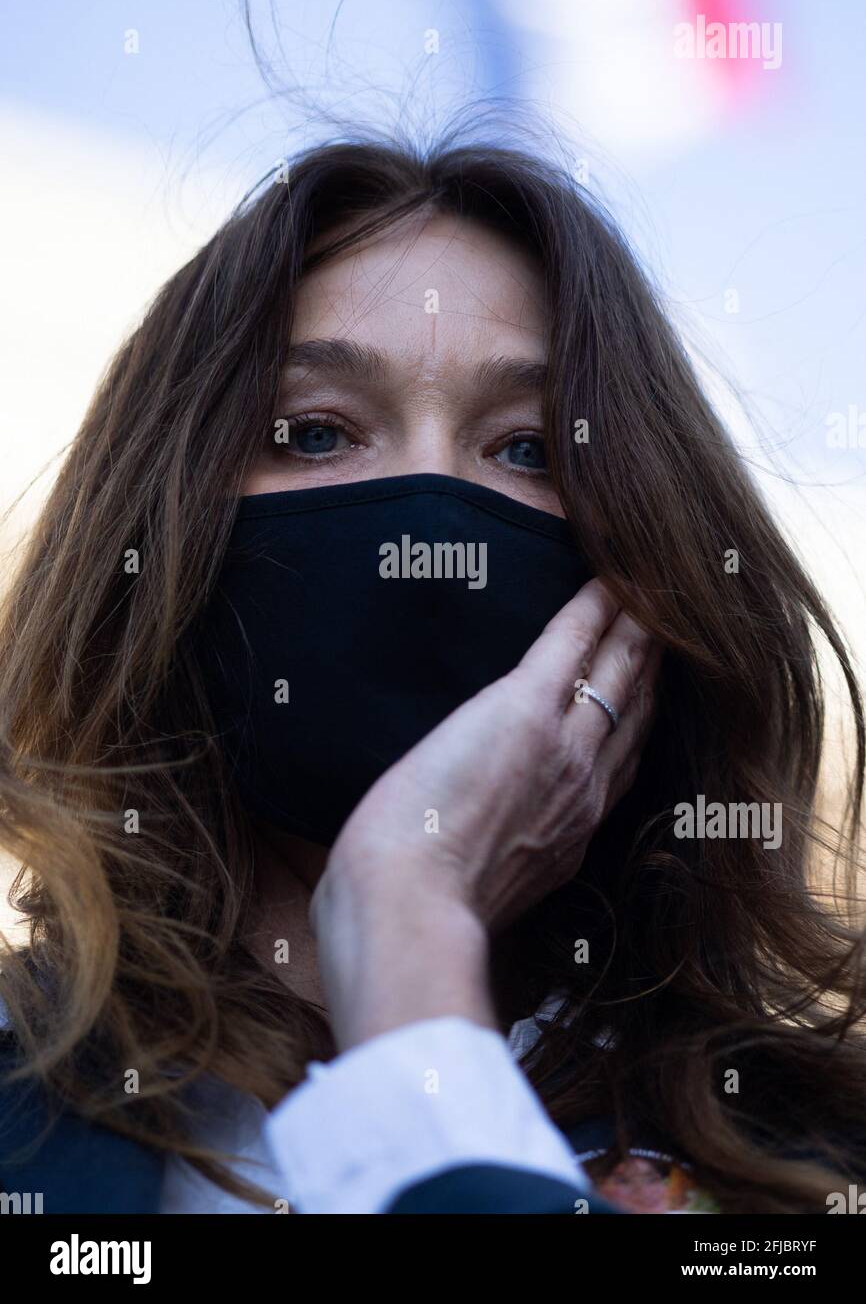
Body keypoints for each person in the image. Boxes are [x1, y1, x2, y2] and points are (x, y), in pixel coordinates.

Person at [1, 136, 864, 1214]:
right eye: (314, 432)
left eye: (526, 449)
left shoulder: (821, 1169)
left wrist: (405, 919)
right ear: (158, 532)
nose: (423, 520)